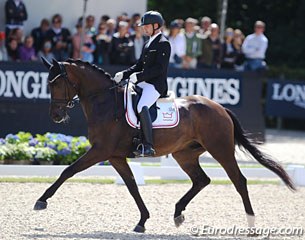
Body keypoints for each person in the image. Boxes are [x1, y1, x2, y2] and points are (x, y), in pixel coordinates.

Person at [113, 11, 171, 157]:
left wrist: (138, 77)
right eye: (143, 26)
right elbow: (139, 65)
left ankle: (148, 145)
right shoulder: (147, 44)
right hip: (144, 82)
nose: (143, 29)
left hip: (156, 85)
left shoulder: (164, 43)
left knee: (141, 106)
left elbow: (159, 69)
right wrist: (123, 74)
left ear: (156, 26)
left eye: (146, 26)